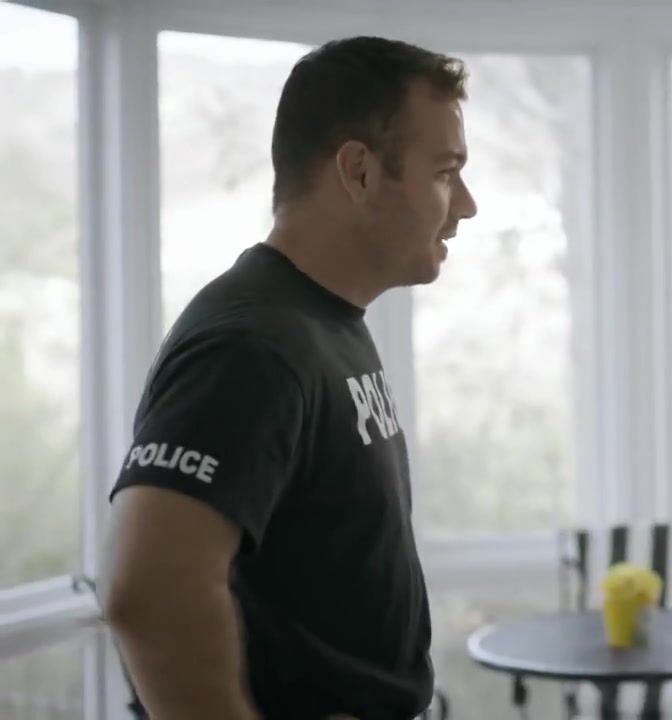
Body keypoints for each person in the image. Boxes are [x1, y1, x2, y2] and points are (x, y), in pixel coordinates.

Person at [98, 36, 477, 720]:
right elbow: (148, 593)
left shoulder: (322, 322)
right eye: (446, 173)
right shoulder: (251, 346)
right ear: (360, 173)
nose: (467, 205)